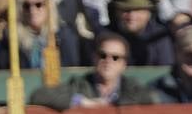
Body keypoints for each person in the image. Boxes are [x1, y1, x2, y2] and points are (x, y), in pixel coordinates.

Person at [30, 31, 158, 109]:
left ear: (124, 64)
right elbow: (39, 96)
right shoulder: (80, 84)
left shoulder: (131, 86)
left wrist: (112, 104)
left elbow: (150, 98)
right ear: (94, 58)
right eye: (103, 55)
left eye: (115, 57)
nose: (108, 61)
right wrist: (81, 102)